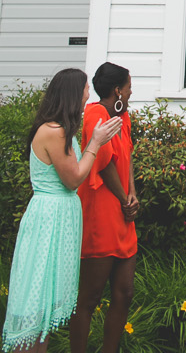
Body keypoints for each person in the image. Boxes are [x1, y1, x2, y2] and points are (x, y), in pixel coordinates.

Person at [1, 68, 121, 353]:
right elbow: (74, 178)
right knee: (37, 293)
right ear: (71, 95)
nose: (87, 97)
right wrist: (95, 142)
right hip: (49, 219)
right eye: (83, 93)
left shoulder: (60, 130)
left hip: (60, 217)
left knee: (46, 298)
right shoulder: (53, 132)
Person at [68, 63, 138, 353]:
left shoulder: (124, 116)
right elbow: (105, 161)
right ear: (117, 89)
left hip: (124, 210)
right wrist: (124, 199)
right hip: (102, 209)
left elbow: (127, 156)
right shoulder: (95, 113)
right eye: (129, 85)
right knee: (90, 296)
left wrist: (133, 193)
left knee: (124, 293)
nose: (132, 90)